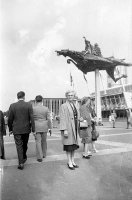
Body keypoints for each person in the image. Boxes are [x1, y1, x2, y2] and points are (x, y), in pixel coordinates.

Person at [8, 91, 35, 170]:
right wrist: (33, 129)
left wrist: (10, 129)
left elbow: (10, 119)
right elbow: (32, 118)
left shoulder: (12, 106)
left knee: (19, 145)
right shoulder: (29, 105)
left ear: (17, 97)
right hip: (26, 129)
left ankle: (21, 162)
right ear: (24, 97)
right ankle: (23, 157)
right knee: (25, 144)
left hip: (16, 129)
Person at [59, 90, 80, 170]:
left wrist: (79, 119)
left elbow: (76, 115)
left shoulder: (75, 105)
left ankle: (73, 160)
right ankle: (69, 161)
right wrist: (64, 129)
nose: (70, 97)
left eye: (71, 95)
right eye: (69, 95)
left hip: (74, 128)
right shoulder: (63, 106)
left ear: (74, 96)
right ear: (66, 96)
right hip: (68, 128)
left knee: (74, 146)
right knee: (69, 146)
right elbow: (62, 118)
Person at [33, 95, 52, 162]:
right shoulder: (46, 108)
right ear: (42, 100)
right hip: (44, 126)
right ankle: (44, 154)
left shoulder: (33, 109)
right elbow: (49, 119)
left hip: (36, 126)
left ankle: (39, 157)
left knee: (38, 142)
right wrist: (50, 128)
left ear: (35, 101)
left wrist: (32, 128)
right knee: (44, 141)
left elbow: (31, 120)